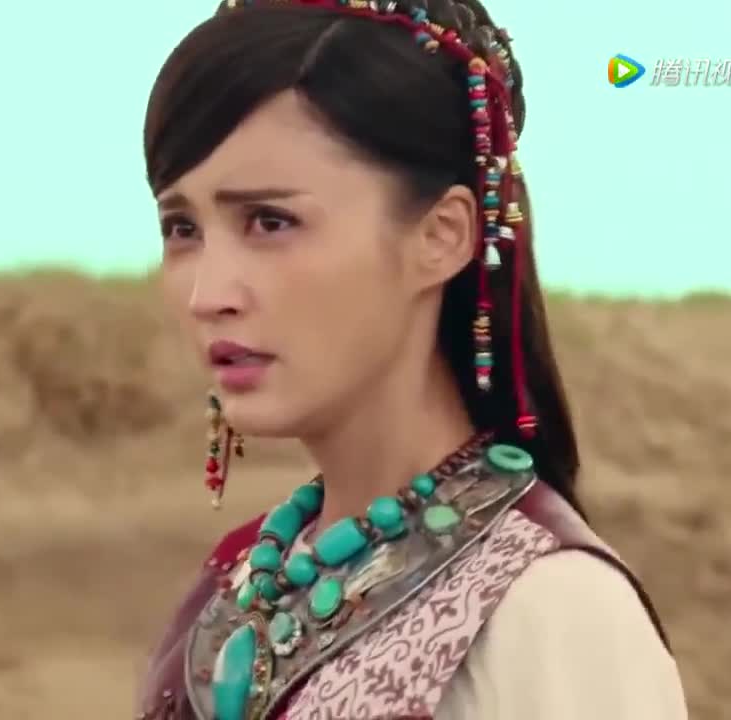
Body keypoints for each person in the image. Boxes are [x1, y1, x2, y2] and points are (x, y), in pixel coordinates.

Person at [135, 1, 687, 718]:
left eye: (270, 221)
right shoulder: (234, 587)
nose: (208, 294)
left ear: (441, 236)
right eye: (182, 228)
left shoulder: (550, 611)